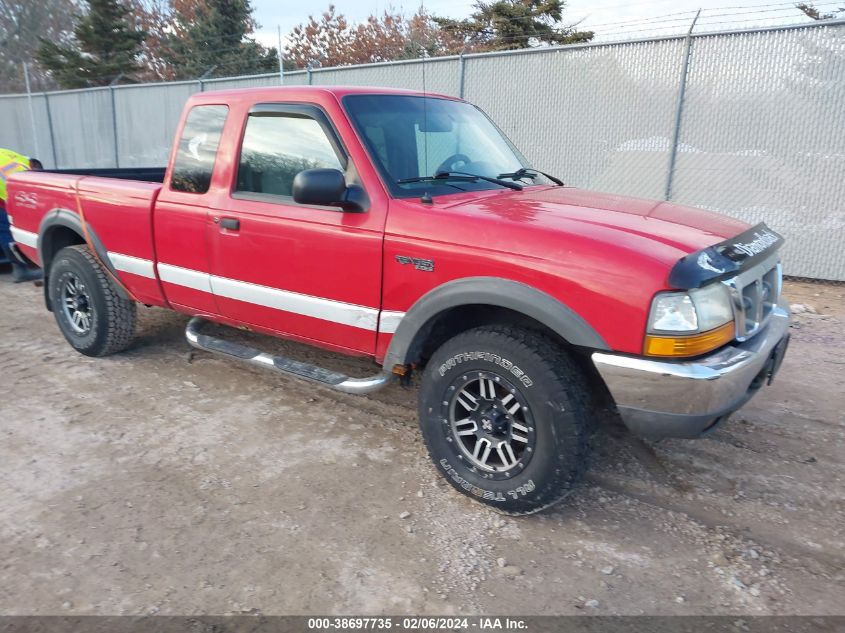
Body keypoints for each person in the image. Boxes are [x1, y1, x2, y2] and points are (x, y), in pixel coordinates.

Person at [0, 148, 43, 282]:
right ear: (34, 167)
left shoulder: (10, 156)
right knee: (6, 230)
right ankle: (21, 270)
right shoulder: (22, 170)